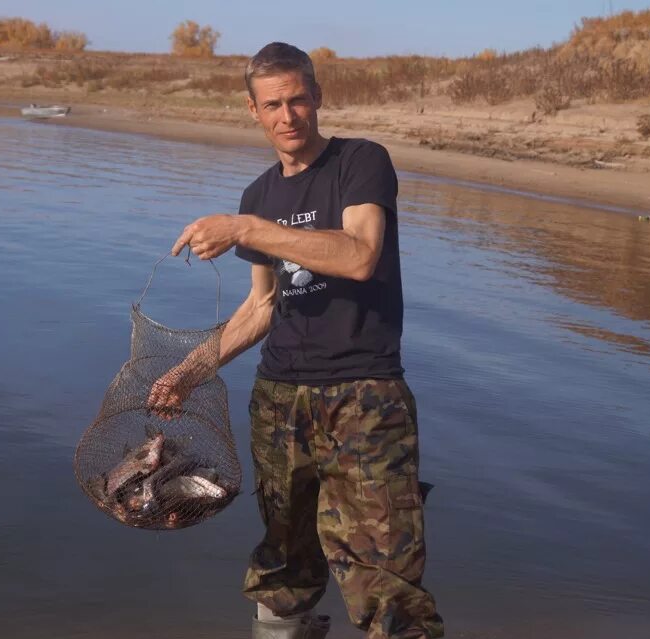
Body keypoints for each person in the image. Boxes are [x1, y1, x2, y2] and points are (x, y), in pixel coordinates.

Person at [148, 42, 443, 639]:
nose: (288, 116)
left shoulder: (360, 162)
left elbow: (359, 255)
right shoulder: (258, 195)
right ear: (253, 110)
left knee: (385, 575)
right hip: (279, 398)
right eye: (273, 104)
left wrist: (249, 230)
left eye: (299, 100)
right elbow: (261, 307)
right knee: (284, 557)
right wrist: (189, 371)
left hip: (364, 395)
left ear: (318, 98)